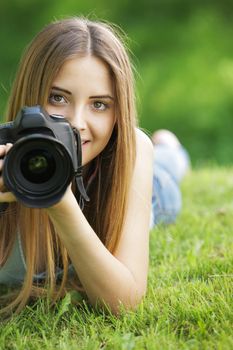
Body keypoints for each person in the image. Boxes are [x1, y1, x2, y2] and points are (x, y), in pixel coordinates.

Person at [0, 17, 189, 316]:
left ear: (119, 113)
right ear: (29, 96)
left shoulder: (132, 152)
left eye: (99, 104)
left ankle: (169, 147)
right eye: (57, 98)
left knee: (166, 172)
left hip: (151, 195)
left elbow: (123, 304)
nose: (76, 123)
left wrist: (61, 204)